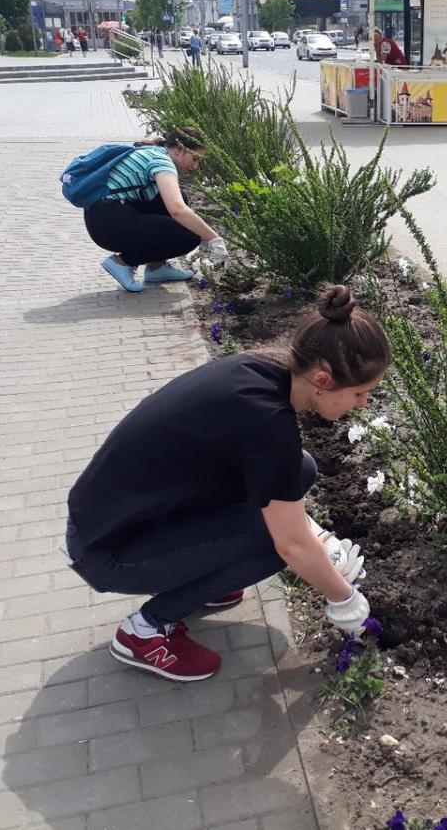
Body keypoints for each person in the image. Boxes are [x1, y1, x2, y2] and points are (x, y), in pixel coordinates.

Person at [65, 285, 387, 681]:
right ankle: (144, 631)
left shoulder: (258, 370)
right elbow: (290, 542)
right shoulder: (268, 424)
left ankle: (204, 578)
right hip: (107, 551)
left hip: (107, 516)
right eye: (360, 393)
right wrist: (345, 599)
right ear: (323, 379)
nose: (363, 404)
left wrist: (316, 538)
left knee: (299, 469)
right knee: (276, 546)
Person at [81, 126, 228, 292]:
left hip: (105, 215)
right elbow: (177, 210)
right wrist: (213, 238)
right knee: (189, 236)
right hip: (107, 225)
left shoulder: (156, 150)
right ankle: (122, 262)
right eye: (195, 159)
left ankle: (157, 268)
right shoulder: (162, 162)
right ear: (180, 150)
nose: (196, 166)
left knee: (178, 199)